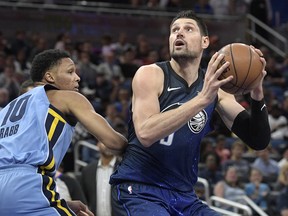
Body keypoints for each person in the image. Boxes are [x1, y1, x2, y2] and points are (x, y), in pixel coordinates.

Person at [109, 10, 270, 216]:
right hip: (140, 190)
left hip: (184, 196)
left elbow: (258, 140)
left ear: (205, 41)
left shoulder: (216, 88)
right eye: (174, 30)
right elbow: (146, 133)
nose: (179, 33)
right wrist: (202, 99)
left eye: (188, 29)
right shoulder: (150, 74)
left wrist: (257, 91)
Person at [0, 49, 127, 216]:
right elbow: (115, 144)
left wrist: (62, 202)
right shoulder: (65, 97)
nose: (77, 77)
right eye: (70, 72)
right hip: (30, 184)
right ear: (50, 77)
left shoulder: (7, 109)